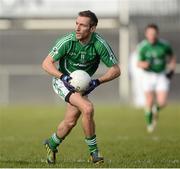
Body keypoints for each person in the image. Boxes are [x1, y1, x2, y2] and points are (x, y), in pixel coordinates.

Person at [42, 10, 121, 164]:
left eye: (82, 25)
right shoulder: (67, 41)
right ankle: (94, 153)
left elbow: (116, 70)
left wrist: (97, 82)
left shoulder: (99, 44)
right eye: (76, 23)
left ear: (92, 29)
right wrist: (62, 77)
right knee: (87, 108)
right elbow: (46, 63)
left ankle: (51, 144)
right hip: (62, 81)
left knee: (70, 121)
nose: (77, 28)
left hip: (81, 86)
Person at [137, 23, 176, 133]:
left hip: (161, 75)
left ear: (157, 34)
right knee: (149, 100)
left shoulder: (164, 45)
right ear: (146, 34)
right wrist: (143, 64)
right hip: (148, 76)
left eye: (154, 33)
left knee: (162, 102)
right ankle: (149, 125)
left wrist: (172, 68)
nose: (152, 35)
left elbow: (172, 56)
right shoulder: (142, 46)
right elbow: (138, 63)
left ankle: (156, 109)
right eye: (149, 33)